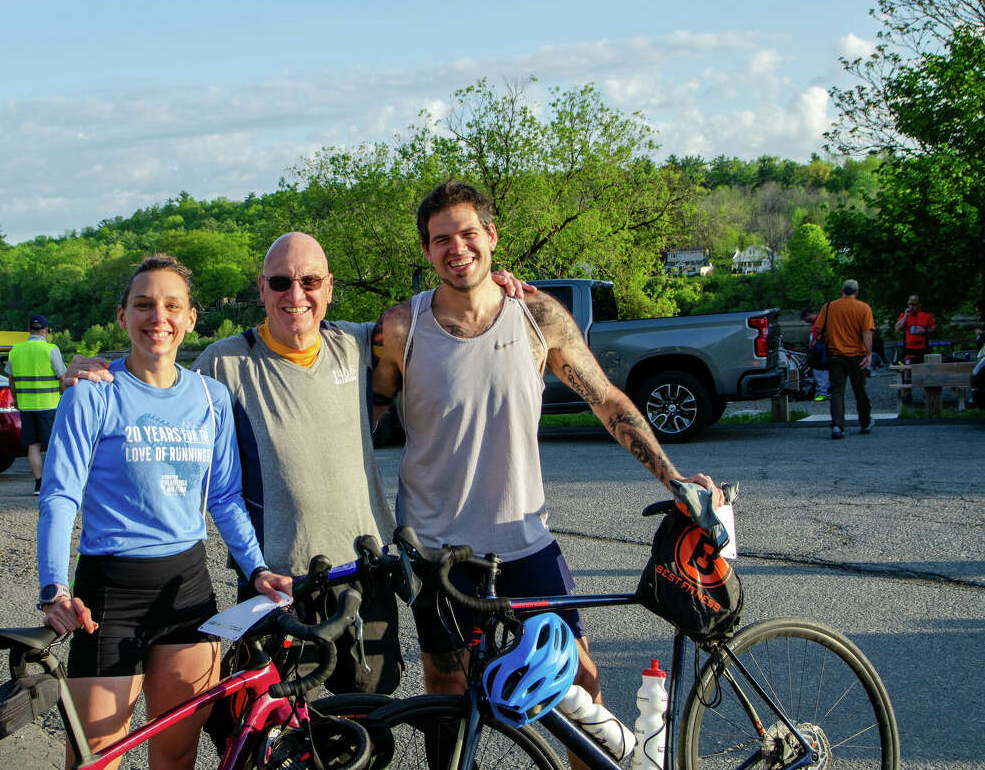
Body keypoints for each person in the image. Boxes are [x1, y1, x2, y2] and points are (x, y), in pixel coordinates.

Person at [63, 233, 528, 696]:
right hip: (277, 581)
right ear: (262, 289)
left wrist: (490, 284)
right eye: (281, 282)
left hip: (364, 572)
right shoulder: (223, 363)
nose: (295, 295)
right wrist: (97, 369)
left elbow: (440, 316)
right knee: (276, 729)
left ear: (329, 288)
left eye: (309, 281)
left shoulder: (359, 343)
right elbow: (156, 374)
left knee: (367, 718)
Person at [371, 180, 724, 716]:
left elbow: (605, 399)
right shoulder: (400, 328)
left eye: (468, 233)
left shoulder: (537, 316)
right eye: (441, 239)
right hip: (437, 549)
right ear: (425, 250)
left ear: (491, 236)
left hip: (525, 539)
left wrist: (672, 478)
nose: (456, 248)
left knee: (581, 684)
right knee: (445, 690)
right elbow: (363, 419)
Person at [38, 255, 291, 770]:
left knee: (175, 758)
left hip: (187, 590)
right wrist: (53, 587)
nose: (159, 318)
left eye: (172, 306)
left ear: (191, 317)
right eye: (144, 305)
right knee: (94, 760)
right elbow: (60, 494)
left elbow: (224, 497)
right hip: (110, 592)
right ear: (122, 315)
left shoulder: (211, 397)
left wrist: (257, 568)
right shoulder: (91, 394)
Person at [6, 315, 67, 495]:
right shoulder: (50, 350)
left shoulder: (16, 351)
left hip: (26, 406)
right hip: (49, 405)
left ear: (29, 330)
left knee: (33, 446)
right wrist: (68, 398)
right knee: (52, 446)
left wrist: (16, 400)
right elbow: (62, 378)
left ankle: (39, 484)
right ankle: (54, 482)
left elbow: (11, 381)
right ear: (46, 331)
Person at [815, 279, 875, 439]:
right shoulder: (864, 308)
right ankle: (865, 422)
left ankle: (837, 426)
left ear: (842, 291)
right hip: (857, 356)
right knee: (860, 390)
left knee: (836, 392)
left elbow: (818, 328)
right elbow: (867, 333)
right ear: (857, 292)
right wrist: (869, 354)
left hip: (835, 355)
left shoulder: (829, 307)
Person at [894, 294, 936, 364]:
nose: (911, 307)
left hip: (922, 348)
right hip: (908, 348)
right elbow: (897, 328)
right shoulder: (905, 315)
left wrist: (925, 330)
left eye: (914, 305)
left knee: (922, 367)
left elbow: (933, 327)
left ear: (919, 305)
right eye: (910, 304)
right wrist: (905, 316)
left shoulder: (926, 315)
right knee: (907, 367)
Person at [800, 308, 830, 400]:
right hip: (817, 350)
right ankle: (821, 391)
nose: (806, 322)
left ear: (808, 315)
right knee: (818, 372)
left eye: (805, 319)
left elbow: (822, 334)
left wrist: (816, 342)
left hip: (821, 350)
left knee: (820, 372)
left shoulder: (820, 321)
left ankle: (823, 393)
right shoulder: (815, 323)